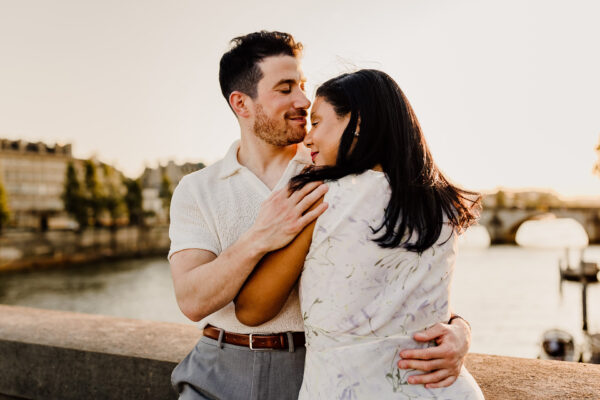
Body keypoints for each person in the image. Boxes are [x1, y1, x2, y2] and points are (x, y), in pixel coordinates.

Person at [168, 31, 472, 400]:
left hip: (309, 367)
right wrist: (261, 235)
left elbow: (396, 279)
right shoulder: (198, 188)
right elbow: (192, 300)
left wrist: (459, 327)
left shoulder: (334, 173)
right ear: (242, 103)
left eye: (302, 85)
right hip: (219, 367)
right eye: (285, 88)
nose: (302, 99)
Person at [234, 69, 484, 399]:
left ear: (359, 123)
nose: (308, 137)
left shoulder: (321, 197)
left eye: (318, 122)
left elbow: (252, 310)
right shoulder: (444, 205)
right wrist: (462, 328)